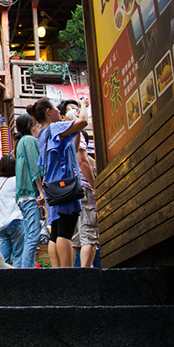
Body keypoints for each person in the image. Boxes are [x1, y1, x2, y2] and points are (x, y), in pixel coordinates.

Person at [27, 95, 89, 268]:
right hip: (65, 184)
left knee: (56, 230)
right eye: (55, 109)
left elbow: (72, 147)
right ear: (48, 111)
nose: (58, 111)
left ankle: (57, 270)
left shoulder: (43, 134)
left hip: (53, 186)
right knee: (65, 231)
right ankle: (67, 272)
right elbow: (83, 122)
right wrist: (83, 106)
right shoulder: (55, 128)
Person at [58, 101, 99, 268]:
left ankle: (71, 276)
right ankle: (85, 274)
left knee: (73, 237)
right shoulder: (76, 133)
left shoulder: (55, 134)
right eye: (72, 109)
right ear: (62, 115)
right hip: (82, 188)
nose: (76, 111)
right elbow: (82, 161)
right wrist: (96, 187)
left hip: (65, 190)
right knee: (88, 235)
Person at [14, 114, 45, 268]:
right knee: (33, 235)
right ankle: (27, 274)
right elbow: (35, 167)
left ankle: (25, 270)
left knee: (28, 235)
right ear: (31, 126)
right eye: (36, 124)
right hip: (30, 194)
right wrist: (41, 191)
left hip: (22, 196)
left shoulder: (20, 143)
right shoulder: (30, 141)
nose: (38, 126)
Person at [0, 154, 24, 267]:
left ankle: (4, 283)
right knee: (18, 256)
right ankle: (18, 282)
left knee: (3, 260)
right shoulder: (18, 181)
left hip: (0, 225)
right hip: (16, 220)